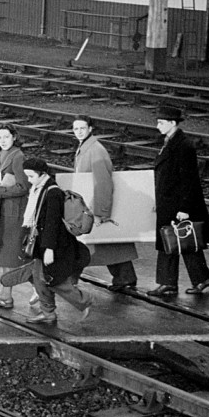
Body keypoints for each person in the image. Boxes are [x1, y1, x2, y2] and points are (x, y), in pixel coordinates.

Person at [148, 106, 209, 298]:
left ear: (172, 123)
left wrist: (184, 208)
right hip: (168, 201)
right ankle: (196, 279)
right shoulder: (171, 142)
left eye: (161, 122)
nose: (157, 125)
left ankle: (169, 283)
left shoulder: (183, 146)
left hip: (176, 203)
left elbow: (189, 180)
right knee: (177, 240)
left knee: (175, 240)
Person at [21, 157, 93, 324]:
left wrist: (49, 249)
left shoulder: (52, 193)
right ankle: (48, 313)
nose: (29, 180)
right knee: (39, 279)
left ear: (42, 174)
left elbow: (52, 223)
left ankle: (85, 301)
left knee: (54, 281)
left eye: (31, 176)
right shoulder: (41, 188)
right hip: (43, 243)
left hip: (53, 245)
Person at [72, 115, 139, 292]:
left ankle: (124, 277)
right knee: (109, 243)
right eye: (76, 129)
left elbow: (103, 183)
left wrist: (100, 212)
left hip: (97, 205)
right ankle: (125, 277)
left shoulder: (94, 150)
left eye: (82, 128)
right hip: (94, 203)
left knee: (106, 242)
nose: (79, 132)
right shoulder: (87, 147)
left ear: (90, 129)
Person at [0, 124, 29, 308]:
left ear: (14, 137)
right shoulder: (4, 154)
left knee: (11, 252)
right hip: (7, 210)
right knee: (6, 253)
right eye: (0, 137)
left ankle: (12, 295)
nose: (2, 140)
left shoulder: (18, 156)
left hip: (15, 211)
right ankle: (5, 295)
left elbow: (23, 186)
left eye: (6, 137)